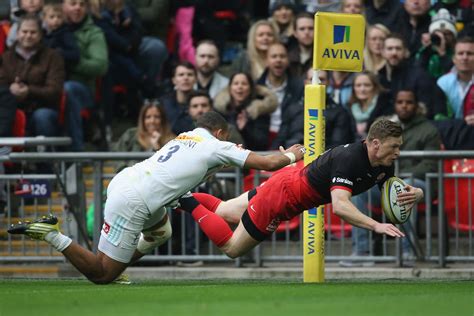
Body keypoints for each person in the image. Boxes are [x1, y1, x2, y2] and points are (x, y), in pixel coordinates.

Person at [8, 111, 306, 284]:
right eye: (225, 137)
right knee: (102, 274)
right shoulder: (217, 145)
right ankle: (53, 235)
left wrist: (226, 155)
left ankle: (119, 263)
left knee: (161, 231)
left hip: (128, 181)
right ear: (219, 132)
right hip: (135, 200)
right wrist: (294, 152)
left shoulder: (187, 136)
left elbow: (194, 169)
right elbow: (269, 163)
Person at [175, 119, 424, 259]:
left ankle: (178, 196)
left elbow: (394, 192)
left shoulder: (382, 162)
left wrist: (417, 194)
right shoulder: (351, 159)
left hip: (288, 180)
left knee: (224, 210)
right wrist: (376, 225)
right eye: (394, 146)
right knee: (232, 249)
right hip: (281, 197)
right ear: (376, 143)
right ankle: (185, 201)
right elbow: (340, 206)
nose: (399, 152)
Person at [0, 14, 65, 139]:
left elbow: (55, 90)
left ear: (40, 35)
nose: (28, 36)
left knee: (43, 116)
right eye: (24, 31)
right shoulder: (6, 57)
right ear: (17, 33)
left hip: (41, 108)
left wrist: (29, 91)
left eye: (33, 32)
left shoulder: (53, 57)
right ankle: (5, 155)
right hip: (11, 108)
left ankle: (45, 156)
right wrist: (11, 89)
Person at [214, 72, 278, 151]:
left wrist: (245, 129)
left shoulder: (260, 111)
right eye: (236, 83)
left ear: (251, 89)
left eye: (244, 84)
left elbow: (262, 143)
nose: (240, 87)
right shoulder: (222, 111)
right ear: (229, 89)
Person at [257, 42, 304, 148]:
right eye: (274, 56)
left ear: (287, 61)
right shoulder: (256, 88)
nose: (278, 60)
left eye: (282, 56)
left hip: (289, 142)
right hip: (261, 143)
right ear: (266, 61)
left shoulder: (299, 88)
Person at [348, 71, 392, 139]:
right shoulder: (348, 108)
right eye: (358, 85)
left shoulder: (385, 107)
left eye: (367, 85)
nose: (362, 89)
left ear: (375, 87)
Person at [41, 3, 80, 75]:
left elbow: (75, 54)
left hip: (60, 71)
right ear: (44, 18)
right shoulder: (42, 33)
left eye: (59, 17)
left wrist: (59, 52)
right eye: (52, 17)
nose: (56, 20)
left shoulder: (65, 33)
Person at [287, 12, 314, 81]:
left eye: (311, 28)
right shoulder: (287, 57)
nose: (307, 32)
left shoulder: (324, 57)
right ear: (295, 33)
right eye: (302, 29)